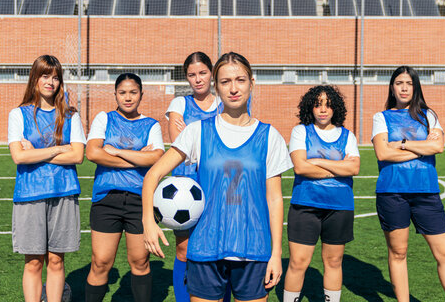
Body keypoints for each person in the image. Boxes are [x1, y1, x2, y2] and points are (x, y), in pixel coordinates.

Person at [143, 52, 293, 301]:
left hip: (254, 250)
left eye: (240, 80)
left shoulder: (270, 136)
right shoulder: (197, 131)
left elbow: (275, 200)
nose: (233, 88)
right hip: (205, 249)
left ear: (252, 83)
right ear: (216, 87)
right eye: (225, 82)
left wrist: (276, 253)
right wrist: (148, 221)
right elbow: (153, 175)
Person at [372, 66, 445, 302]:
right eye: (399, 83)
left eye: (409, 83)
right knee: (398, 252)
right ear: (392, 87)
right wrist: (421, 146)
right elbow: (382, 153)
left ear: (416, 87)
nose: (404, 87)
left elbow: (438, 147)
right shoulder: (381, 117)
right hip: (392, 194)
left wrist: (401, 144)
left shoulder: (428, 115)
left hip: (427, 194)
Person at [8, 55, 86, 302]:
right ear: (35, 78)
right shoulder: (18, 115)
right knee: (33, 262)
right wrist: (58, 149)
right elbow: (19, 157)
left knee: (56, 259)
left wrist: (37, 153)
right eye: (45, 75)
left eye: (55, 77)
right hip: (30, 195)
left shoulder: (71, 115)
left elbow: (78, 155)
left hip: (63, 192)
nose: (50, 82)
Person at [84, 73, 164, 302]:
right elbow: (92, 153)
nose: (128, 97)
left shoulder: (151, 125)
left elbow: (157, 158)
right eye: (122, 92)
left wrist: (116, 151)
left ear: (141, 94)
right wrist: (138, 157)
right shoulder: (104, 118)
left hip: (141, 201)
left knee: (139, 261)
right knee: (100, 262)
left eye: (133, 92)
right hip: (106, 199)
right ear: (115, 94)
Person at [283, 85, 360, 302]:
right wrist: (337, 168)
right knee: (298, 262)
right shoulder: (301, 131)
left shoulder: (348, 136)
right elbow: (300, 167)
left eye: (328, 104)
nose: (323, 109)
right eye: (318, 104)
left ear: (336, 108)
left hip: (340, 207)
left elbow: (354, 169)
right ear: (310, 107)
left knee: (334, 262)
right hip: (305, 205)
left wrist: (317, 162)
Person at [165, 51, 222, 301]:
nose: (197, 79)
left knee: (221, 249)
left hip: (219, 183)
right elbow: (178, 142)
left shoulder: (226, 102)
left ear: (211, 73)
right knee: (184, 249)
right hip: (184, 189)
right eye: (191, 74)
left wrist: (194, 137)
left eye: (202, 73)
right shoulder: (179, 104)